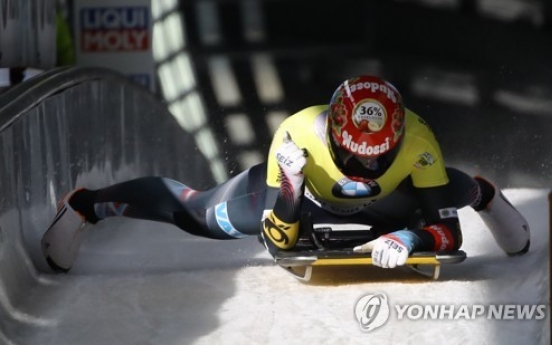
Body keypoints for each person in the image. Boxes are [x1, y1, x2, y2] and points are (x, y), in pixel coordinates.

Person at [41, 75, 530, 272]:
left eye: (379, 154)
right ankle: (86, 204)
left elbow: (448, 231)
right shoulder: (296, 135)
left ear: (398, 138)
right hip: (304, 196)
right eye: (356, 154)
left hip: (391, 204)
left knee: (449, 188)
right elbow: (280, 241)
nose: (366, 165)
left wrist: (411, 238)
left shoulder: (420, 145)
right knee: (201, 215)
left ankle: (485, 193)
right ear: (336, 136)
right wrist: (292, 188)